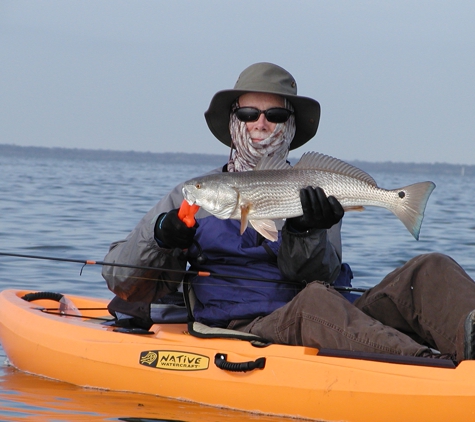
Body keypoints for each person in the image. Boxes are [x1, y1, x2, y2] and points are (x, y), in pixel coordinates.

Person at [103, 62, 475, 363]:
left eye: (275, 114)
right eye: (248, 112)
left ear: (290, 125)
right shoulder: (191, 195)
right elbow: (119, 279)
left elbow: (323, 275)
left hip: (327, 311)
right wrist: (160, 236)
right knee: (315, 303)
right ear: (234, 122)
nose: (261, 123)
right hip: (248, 324)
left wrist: (305, 233)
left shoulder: (314, 188)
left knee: (431, 268)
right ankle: (434, 368)